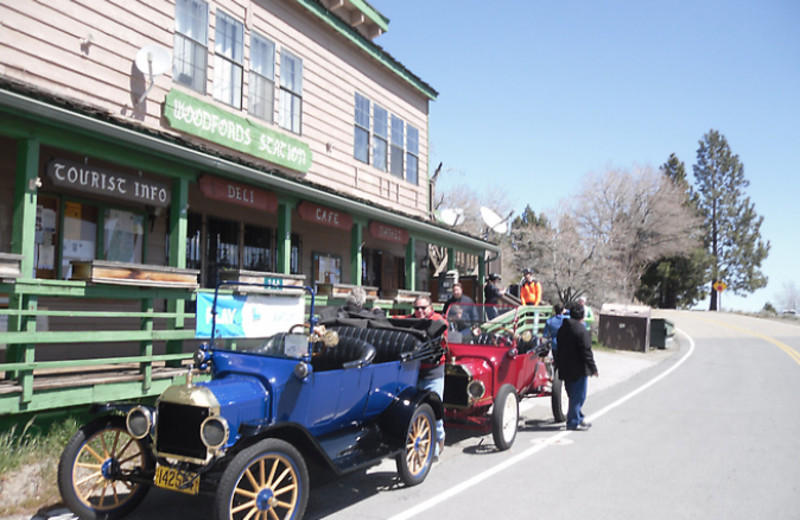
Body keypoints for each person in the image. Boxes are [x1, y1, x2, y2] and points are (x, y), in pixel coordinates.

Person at [407, 295, 447, 458]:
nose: (420, 311)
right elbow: (397, 320)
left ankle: (438, 444)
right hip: (414, 373)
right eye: (417, 308)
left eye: (423, 308)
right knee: (416, 413)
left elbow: (440, 328)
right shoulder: (411, 320)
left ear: (431, 308)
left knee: (434, 413)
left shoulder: (438, 321)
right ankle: (424, 447)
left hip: (433, 374)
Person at [555, 302, 599, 431]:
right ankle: (573, 421)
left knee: (572, 394)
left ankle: (578, 416)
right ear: (582, 316)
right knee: (579, 396)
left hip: (565, 366)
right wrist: (593, 368)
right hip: (578, 368)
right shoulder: (581, 331)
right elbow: (586, 351)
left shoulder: (563, 328)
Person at [319, 286, 385, 321]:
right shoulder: (364, 315)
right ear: (362, 302)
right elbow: (380, 319)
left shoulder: (335, 313)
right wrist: (377, 310)